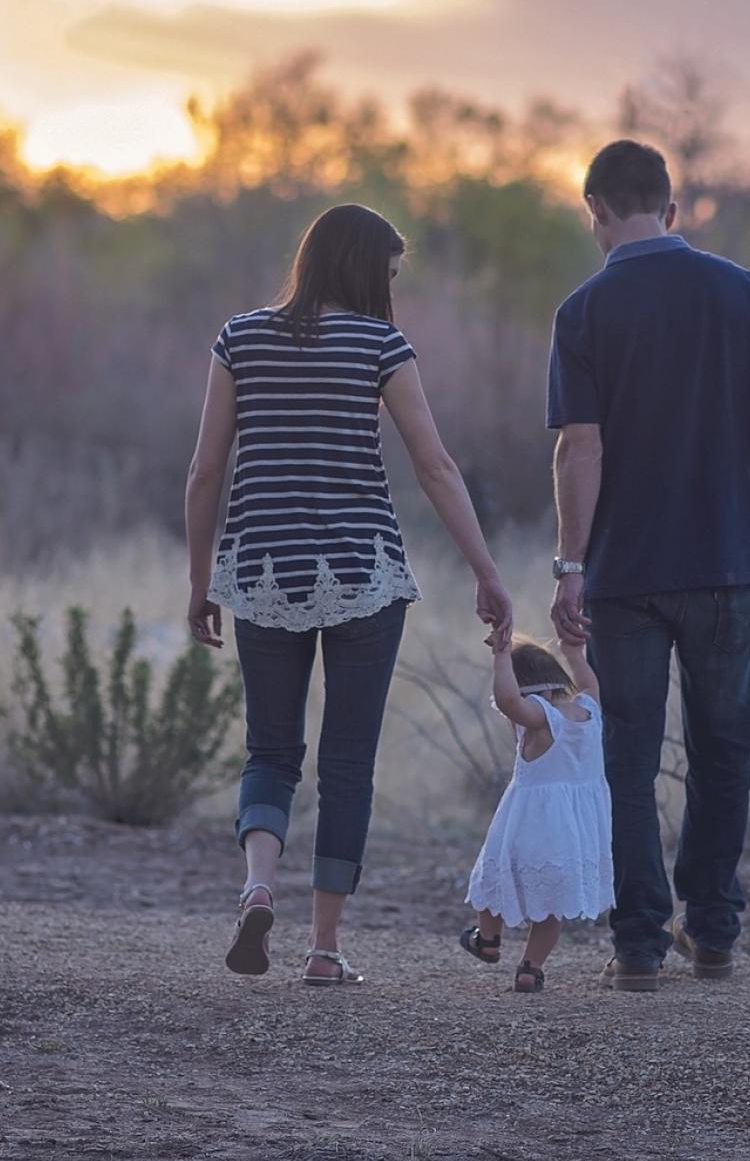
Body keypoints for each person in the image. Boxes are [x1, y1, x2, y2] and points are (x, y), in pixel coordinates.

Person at [185, 203, 512, 986]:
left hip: (262, 571)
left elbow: (204, 472)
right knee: (348, 765)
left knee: (270, 750)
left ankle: (259, 883)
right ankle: (324, 949)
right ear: (366, 269)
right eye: (390, 274)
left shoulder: (239, 338)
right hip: (364, 573)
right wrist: (487, 571)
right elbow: (435, 467)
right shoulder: (380, 344)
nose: (392, 290)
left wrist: (201, 583)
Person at [549, 138, 750, 991]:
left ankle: (637, 945)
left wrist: (568, 564)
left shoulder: (584, 311)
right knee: (726, 748)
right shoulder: (740, 294)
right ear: (672, 209)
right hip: (730, 565)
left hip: (625, 574)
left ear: (595, 211)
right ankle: (713, 932)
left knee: (626, 757)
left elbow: (579, 449)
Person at [461, 635, 614, 991]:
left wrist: (501, 658)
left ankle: (488, 939)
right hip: (574, 833)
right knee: (551, 905)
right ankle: (530, 968)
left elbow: (509, 700)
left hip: (530, 825)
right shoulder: (589, 710)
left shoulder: (542, 717)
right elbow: (589, 681)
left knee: (491, 880)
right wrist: (575, 654)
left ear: (531, 693)